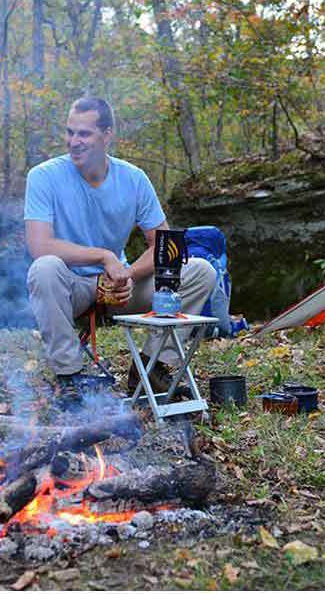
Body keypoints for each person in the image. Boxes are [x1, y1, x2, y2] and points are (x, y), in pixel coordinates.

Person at [24, 97, 217, 394]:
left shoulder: (134, 179)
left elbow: (164, 246)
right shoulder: (43, 176)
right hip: (73, 285)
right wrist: (104, 257)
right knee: (44, 268)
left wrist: (127, 274)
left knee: (200, 270)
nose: (74, 141)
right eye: (69, 132)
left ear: (107, 135)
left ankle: (150, 368)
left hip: (123, 287)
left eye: (84, 134)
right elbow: (39, 245)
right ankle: (69, 378)